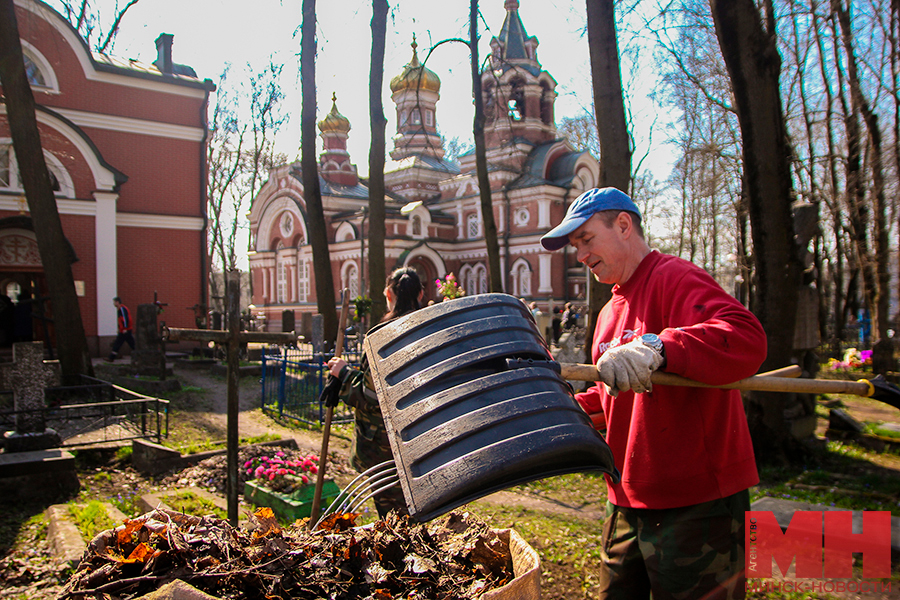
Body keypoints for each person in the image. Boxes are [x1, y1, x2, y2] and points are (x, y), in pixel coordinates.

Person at [540, 187, 766, 600]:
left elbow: (746, 337)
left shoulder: (675, 277)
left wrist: (662, 347)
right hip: (626, 500)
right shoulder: (609, 312)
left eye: (587, 239)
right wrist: (556, 411)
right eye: (575, 246)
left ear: (623, 225)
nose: (581, 255)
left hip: (697, 504)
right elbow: (611, 398)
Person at [326, 266, 425, 518]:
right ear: (421, 294)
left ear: (389, 295)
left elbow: (373, 397)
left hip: (385, 448)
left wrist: (344, 374)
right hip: (421, 439)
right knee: (416, 510)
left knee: (395, 518)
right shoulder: (428, 332)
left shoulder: (385, 336)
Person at [107, 297, 135, 362]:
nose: (113, 303)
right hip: (124, 330)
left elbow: (125, 319)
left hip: (125, 330)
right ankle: (139, 354)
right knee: (131, 343)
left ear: (117, 302)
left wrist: (125, 328)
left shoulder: (122, 308)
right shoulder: (120, 309)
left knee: (118, 343)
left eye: (114, 302)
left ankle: (111, 357)